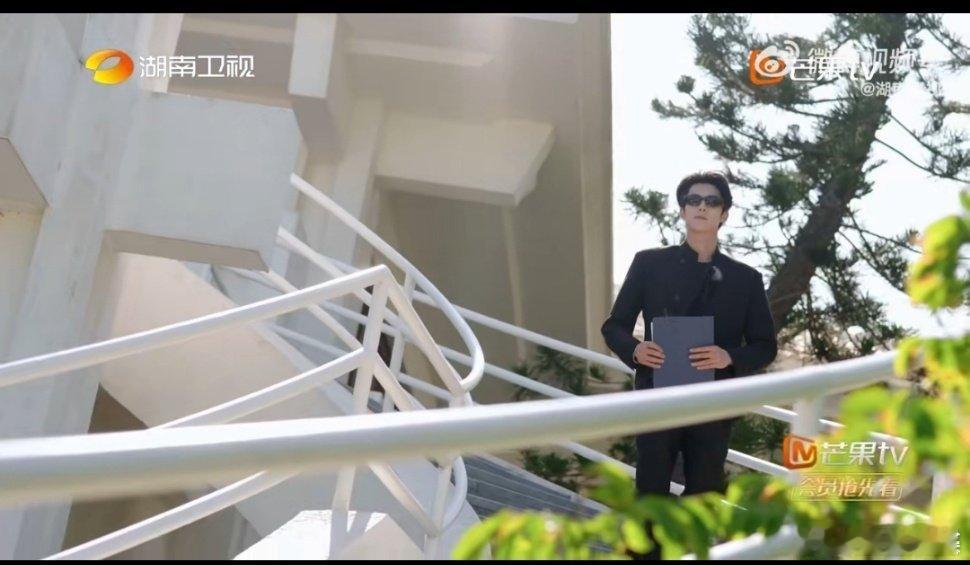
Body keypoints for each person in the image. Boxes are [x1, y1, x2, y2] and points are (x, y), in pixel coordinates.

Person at [601, 171, 778, 559]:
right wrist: (636, 350)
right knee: (650, 491)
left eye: (712, 201)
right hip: (657, 395)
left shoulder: (746, 280)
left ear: (724, 214)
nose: (702, 206)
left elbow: (766, 346)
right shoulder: (649, 264)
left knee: (703, 493)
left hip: (713, 402)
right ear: (682, 210)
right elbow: (613, 326)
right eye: (693, 200)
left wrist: (729, 356)